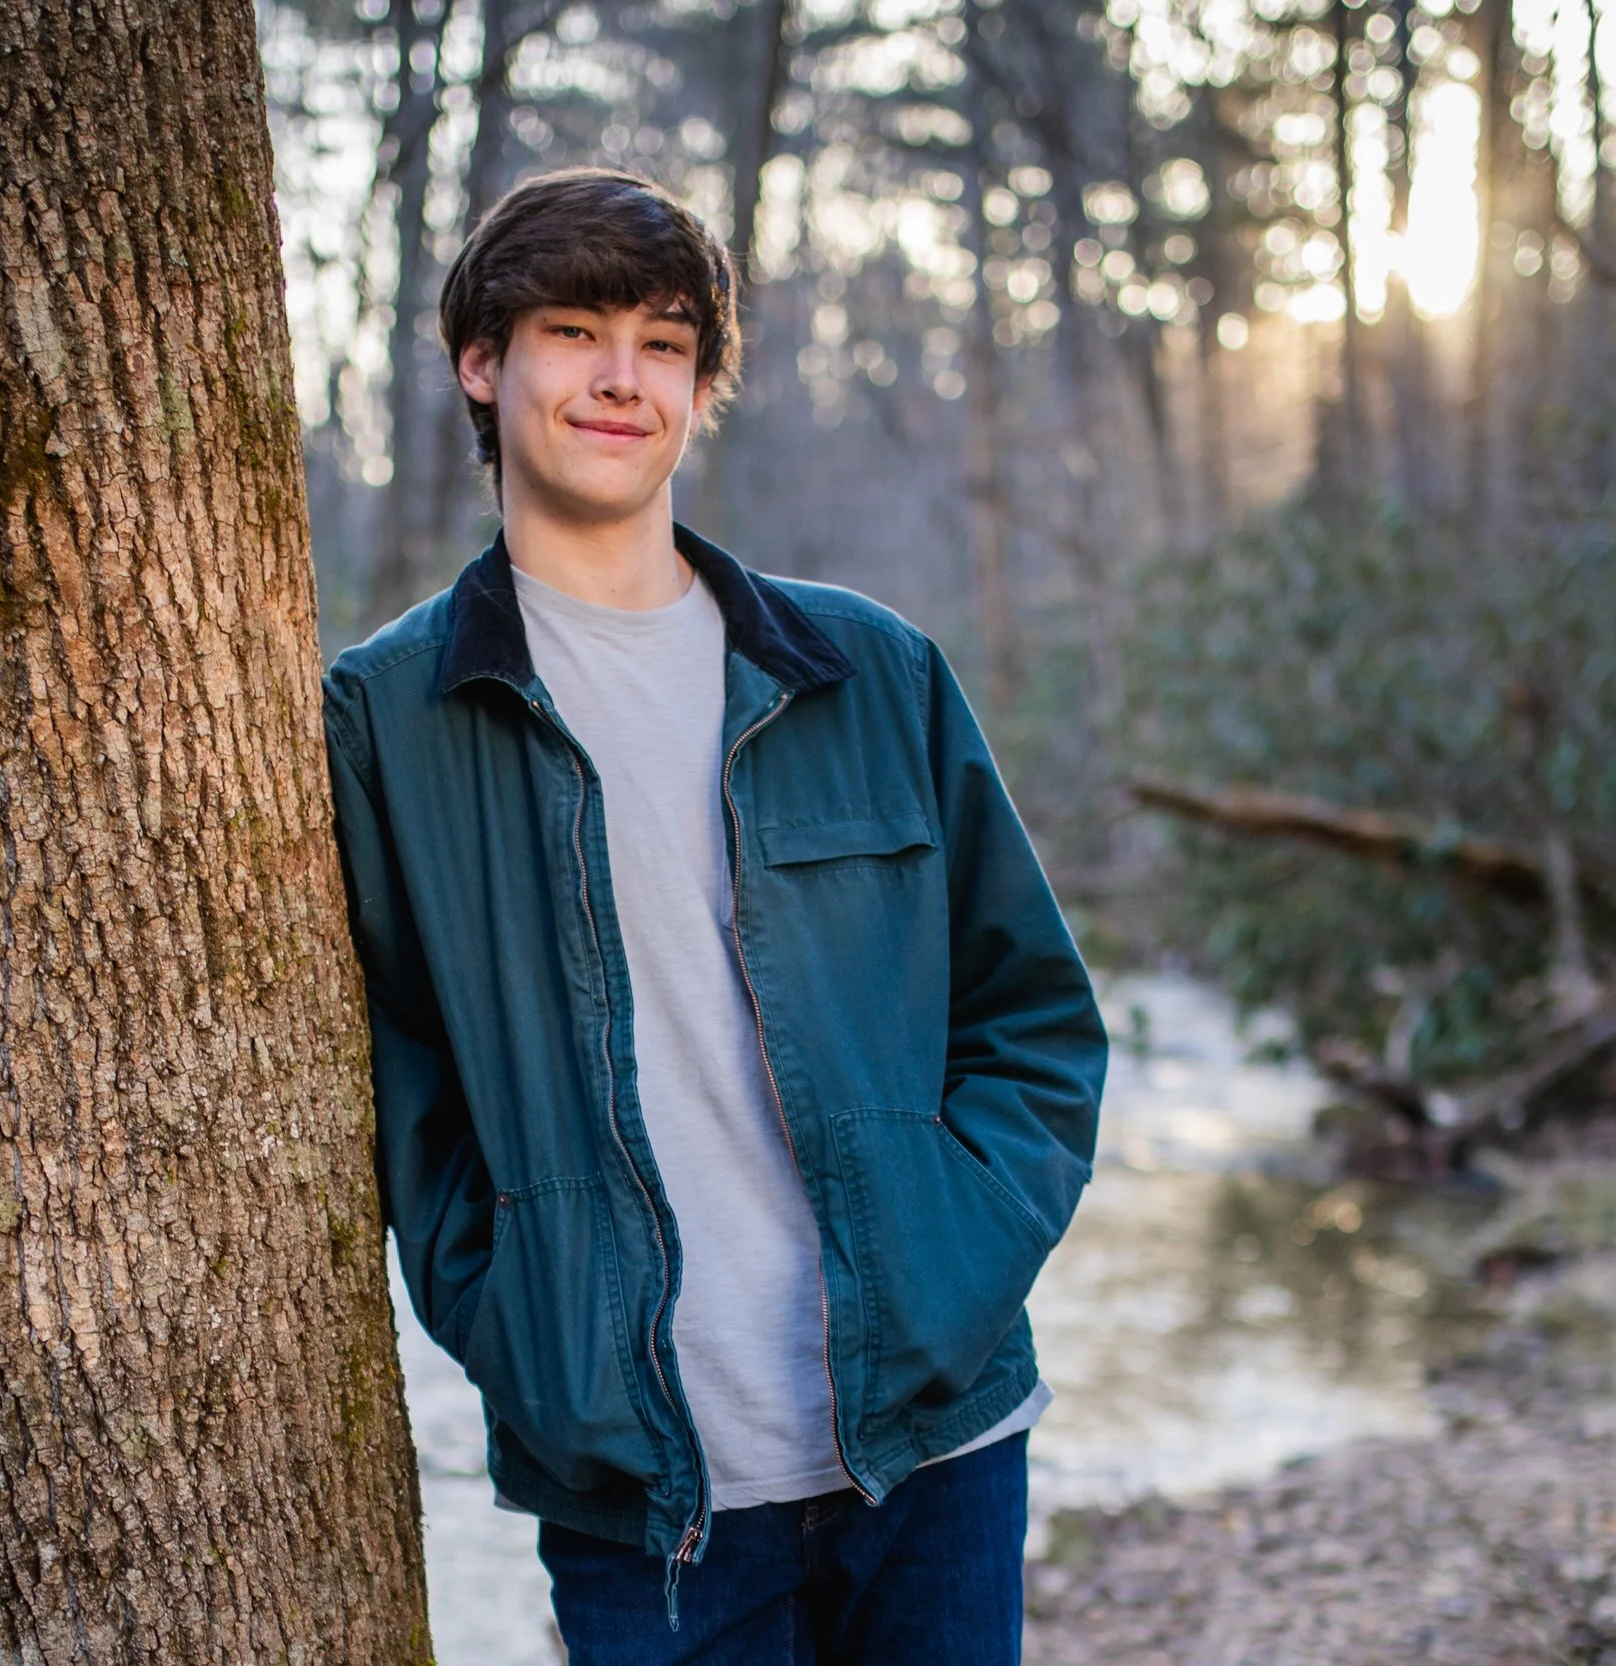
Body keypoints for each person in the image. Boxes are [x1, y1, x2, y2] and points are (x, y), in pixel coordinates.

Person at [322, 167, 1106, 1665]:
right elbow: (404, 1083)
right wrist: (524, 1331)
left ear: (699, 387)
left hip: (933, 1440)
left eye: (665, 342)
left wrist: (961, 1263)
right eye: (572, 330)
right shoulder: (392, 717)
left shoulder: (866, 670)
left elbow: (1035, 1019)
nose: (622, 377)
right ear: (485, 365)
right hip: (641, 1486)